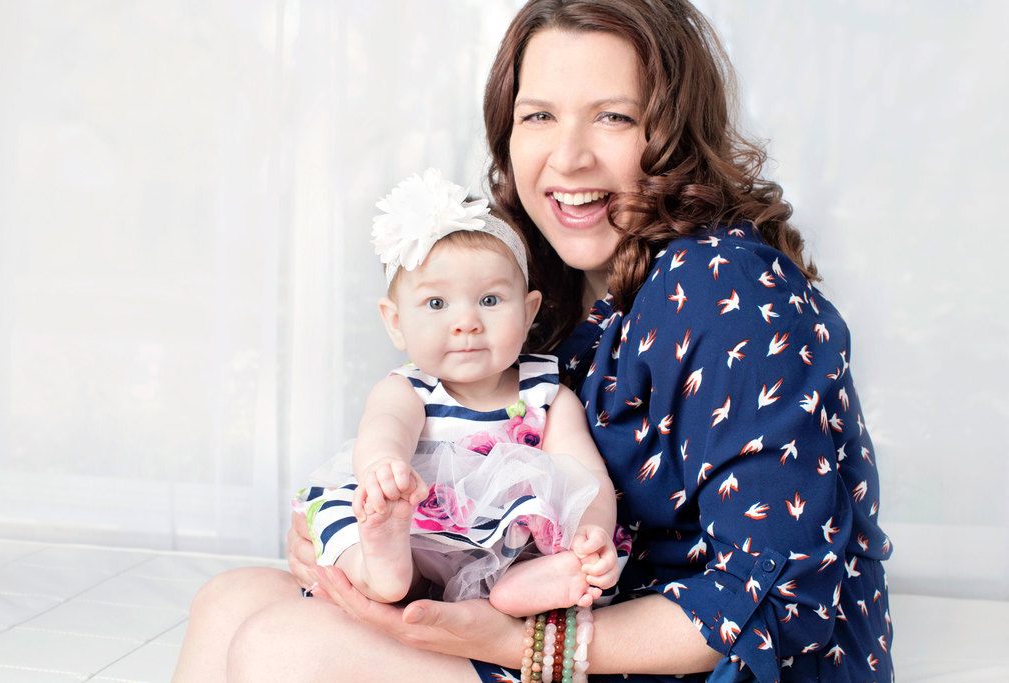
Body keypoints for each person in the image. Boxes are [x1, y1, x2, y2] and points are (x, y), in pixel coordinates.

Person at [174, 1, 894, 681]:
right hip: (556, 613)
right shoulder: (536, 282)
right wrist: (352, 543)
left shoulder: (724, 286)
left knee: (284, 647)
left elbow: (776, 596)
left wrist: (517, 641)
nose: (568, 158)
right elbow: (465, 465)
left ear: (672, 132)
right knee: (230, 600)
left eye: (613, 117)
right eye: (539, 115)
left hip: (700, 658)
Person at [293, 168, 620, 615]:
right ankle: (379, 569)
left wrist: (593, 532)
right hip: (414, 527)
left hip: (506, 546)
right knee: (340, 515)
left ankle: (531, 586)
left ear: (528, 313)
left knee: (544, 529)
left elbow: (587, 478)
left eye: (489, 300)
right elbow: (384, 431)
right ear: (395, 322)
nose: (465, 322)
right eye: (436, 304)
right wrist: (384, 470)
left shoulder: (547, 395)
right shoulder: (409, 390)